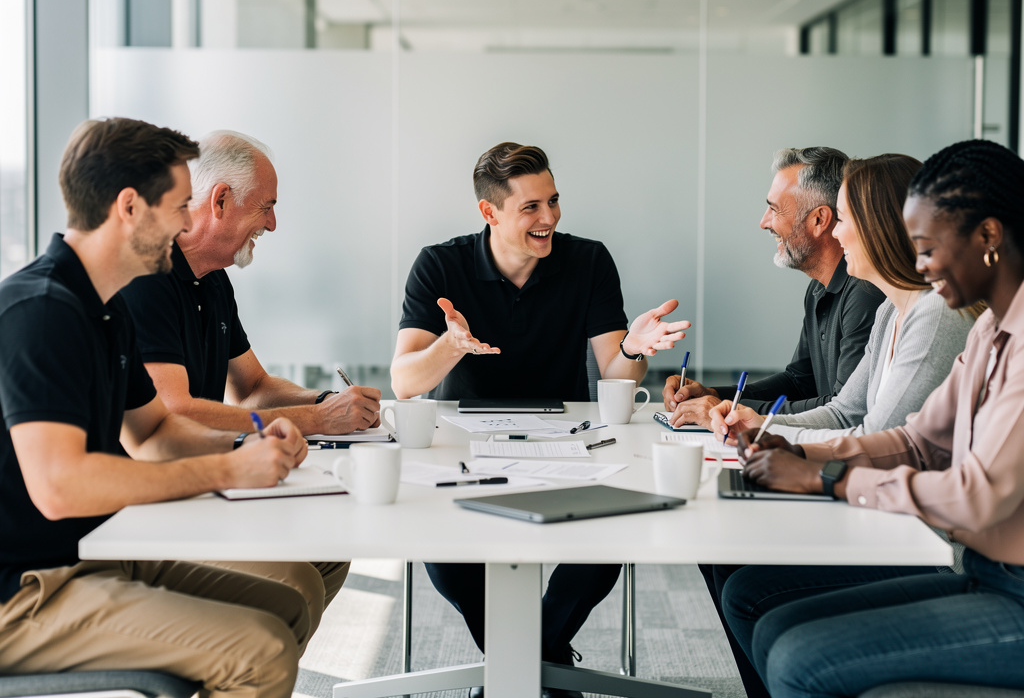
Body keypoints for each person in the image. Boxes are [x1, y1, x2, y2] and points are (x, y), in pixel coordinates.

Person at [0, 117, 311, 697]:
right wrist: (227, 470)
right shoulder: (40, 311)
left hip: (90, 557)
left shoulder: (107, 309)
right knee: (260, 650)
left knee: (286, 607)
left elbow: (155, 433)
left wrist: (251, 443)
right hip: (22, 590)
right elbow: (59, 486)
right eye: (178, 206)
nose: (190, 222)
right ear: (129, 208)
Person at [723, 139, 1024, 697]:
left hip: (1013, 594)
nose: (918, 259)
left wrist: (830, 478)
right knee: (772, 622)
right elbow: (916, 440)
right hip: (991, 575)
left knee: (798, 657)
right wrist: (804, 455)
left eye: (928, 243)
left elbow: (979, 495)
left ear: (987, 238)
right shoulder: (988, 330)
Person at [390, 142, 689, 697]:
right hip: (465, 446)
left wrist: (636, 347)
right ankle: (545, 668)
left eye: (553, 201)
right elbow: (406, 380)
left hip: (572, 442)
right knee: (445, 558)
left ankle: (520, 667)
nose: (549, 218)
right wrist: (450, 347)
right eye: (531, 207)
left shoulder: (588, 260)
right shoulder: (441, 264)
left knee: (605, 544)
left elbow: (616, 374)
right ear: (490, 213)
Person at [120, 130, 365, 631]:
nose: (273, 224)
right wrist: (316, 418)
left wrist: (327, 400)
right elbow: (176, 411)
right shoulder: (148, 281)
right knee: (295, 583)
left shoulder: (214, 277)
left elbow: (252, 385)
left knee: (331, 554)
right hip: (156, 500)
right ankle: (248, 665)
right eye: (266, 207)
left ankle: (256, 668)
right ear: (222, 200)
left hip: (207, 482)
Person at [661, 147, 885, 427]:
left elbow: (841, 410)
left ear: (819, 220)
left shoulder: (866, 294)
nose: (764, 222)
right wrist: (716, 395)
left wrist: (726, 409)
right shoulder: (818, 288)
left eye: (775, 209)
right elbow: (800, 382)